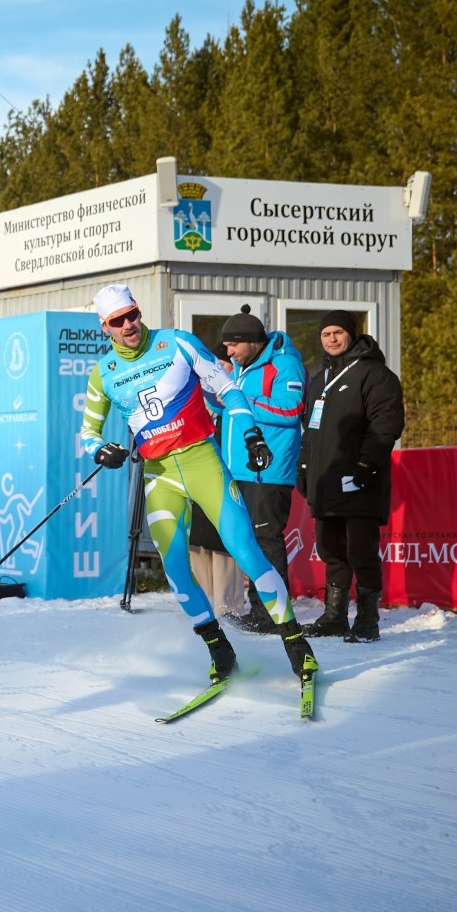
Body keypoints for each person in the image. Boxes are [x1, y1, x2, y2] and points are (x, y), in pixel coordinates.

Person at [78, 284, 316, 685]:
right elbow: (87, 433)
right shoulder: (103, 374)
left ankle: (296, 645)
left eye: (133, 314)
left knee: (247, 551)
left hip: (202, 460)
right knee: (175, 568)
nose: (130, 325)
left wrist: (252, 434)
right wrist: (101, 450)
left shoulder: (177, 343)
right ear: (106, 327)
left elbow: (227, 388)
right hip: (160, 475)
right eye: (118, 321)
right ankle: (219, 650)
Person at [298, 311, 404, 642]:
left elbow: (386, 424)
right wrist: (304, 467)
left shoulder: (374, 374)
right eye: (325, 333)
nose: (331, 338)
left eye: (338, 332)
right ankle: (334, 616)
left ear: (351, 334)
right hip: (325, 482)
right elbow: (310, 432)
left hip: (359, 482)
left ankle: (368, 620)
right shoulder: (320, 379)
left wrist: (366, 465)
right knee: (331, 550)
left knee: (361, 550)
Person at [214, 306, 307, 634]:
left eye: (232, 345)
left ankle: (273, 615)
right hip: (239, 468)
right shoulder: (243, 366)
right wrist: (214, 399)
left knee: (267, 540)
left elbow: (291, 409)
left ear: (250, 341)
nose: (228, 352)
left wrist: (241, 401)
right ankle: (259, 608)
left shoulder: (284, 364)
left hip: (267, 471)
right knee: (249, 540)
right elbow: (231, 410)